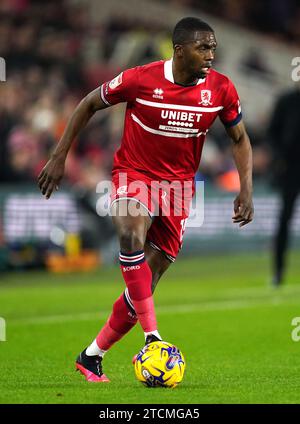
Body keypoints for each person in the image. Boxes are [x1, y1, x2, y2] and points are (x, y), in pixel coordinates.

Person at [38, 17, 254, 382]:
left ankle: (91, 356)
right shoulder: (140, 78)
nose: (211, 55)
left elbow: (239, 139)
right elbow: (89, 103)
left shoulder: (221, 90)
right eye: (204, 47)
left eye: (214, 47)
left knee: (143, 288)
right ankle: (153, 337)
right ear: (180, 49)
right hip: (134, 174)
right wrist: (60, 156)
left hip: (179, 189)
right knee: (130, 235)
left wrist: (245, 188)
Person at [268, 86, 300, 286]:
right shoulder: (286, 100)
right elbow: (272, 133)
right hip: (290, 169)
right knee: (284, 220)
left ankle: (278, 273)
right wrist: (279, 158)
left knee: (284, 221)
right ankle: (278, 272)